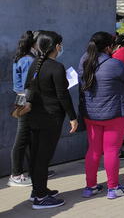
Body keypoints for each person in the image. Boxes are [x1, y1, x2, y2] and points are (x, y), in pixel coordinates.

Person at [78, 32, 124, 200]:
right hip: (114, 114)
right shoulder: (114, 64)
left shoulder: (84, 60)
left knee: (93, 150)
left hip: (91, 113)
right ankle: (113, 188)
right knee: (111, 150)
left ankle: (90, 187)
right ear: (108, 47)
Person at [24, 31, 78, 209]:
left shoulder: (34, 66)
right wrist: (73, 117)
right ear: (56, 46)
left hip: (34, 118)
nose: (61, 47)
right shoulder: (56, 67)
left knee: (36, 156)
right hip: (51, 118)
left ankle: (38, 190)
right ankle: (40, 198)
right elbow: (63, 96)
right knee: (43, 158)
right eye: (60, 44)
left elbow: (28, 91)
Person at [9, 31, 37, 187]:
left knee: (28, 136)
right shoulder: (27, 60)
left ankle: (34, 169)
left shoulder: (22, 57)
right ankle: (16, 173)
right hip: (25, 98)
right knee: (22, 138)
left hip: (21, 97)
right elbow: (30, 84)